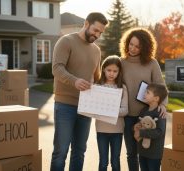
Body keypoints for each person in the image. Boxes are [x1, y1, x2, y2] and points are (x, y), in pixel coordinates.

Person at [51, 12, 108, 171]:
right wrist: (74, 81)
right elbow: (57, 68)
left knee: (79, 151)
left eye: (100, 33)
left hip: (86, 107)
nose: (97, 35)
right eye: (95, 30)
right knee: (60, 152)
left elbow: (96, 77)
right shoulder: (66, 41)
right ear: (86, 24)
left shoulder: (96, 50)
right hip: (65, 106)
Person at [119, 27, 168, 171]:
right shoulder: (122, 62)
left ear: (145, 47)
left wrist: (163, 105)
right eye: (131, 44)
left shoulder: (152, 63)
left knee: (148, 154)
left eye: (137, 46)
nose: (133, 48)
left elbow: (161, 86)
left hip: (148, 115)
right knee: (131, 153)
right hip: (128, 116)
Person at [95, 55, 128, 171]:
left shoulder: (122, 88)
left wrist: (109, 110)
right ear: (103, 69)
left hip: (117, 130)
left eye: (115, 71)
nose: (111, 73)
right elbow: (93, 107)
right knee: (103, 162)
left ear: (119, 72)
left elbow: (125, 110)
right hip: (101, 130)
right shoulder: (97, 86)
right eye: (109, 70)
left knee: (115, 161)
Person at [133, 84, 168, 171]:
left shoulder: (160, 113)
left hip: (154, 154)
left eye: (147, 92)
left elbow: (159, 132)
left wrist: (141, 133)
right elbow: (139, 125)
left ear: (156, 98)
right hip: (142, 152)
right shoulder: (143, 111)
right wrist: (135, 127)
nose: (144, 94)